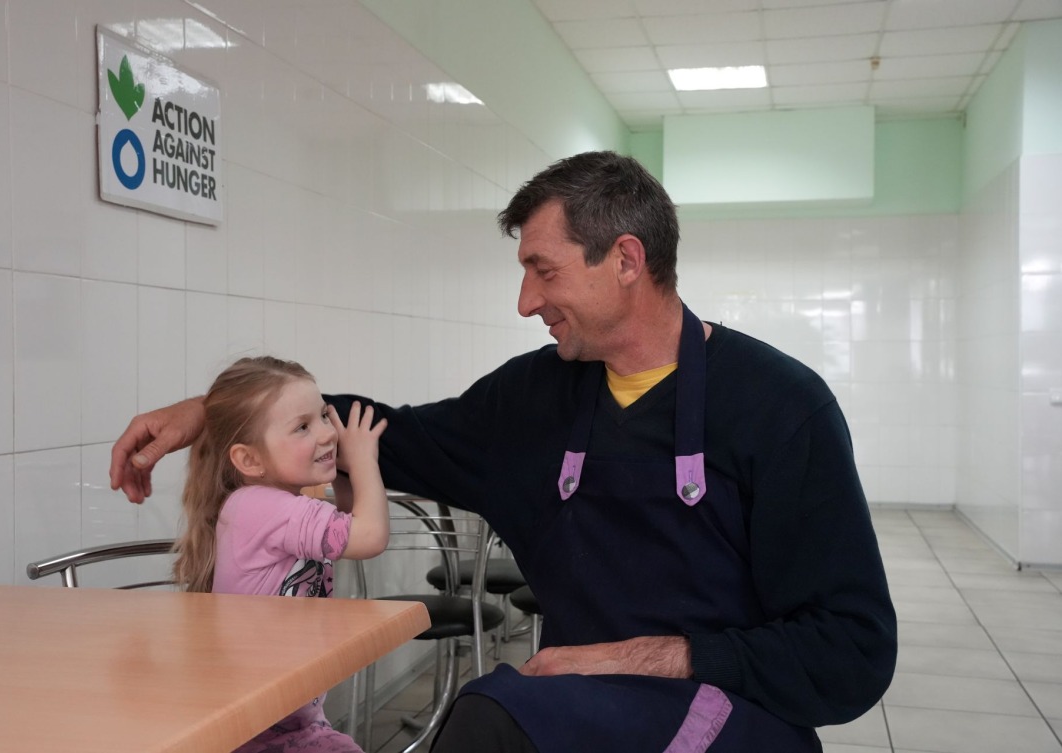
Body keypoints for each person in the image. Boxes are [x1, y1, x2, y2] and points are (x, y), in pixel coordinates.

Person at [111, 152, 896, 753]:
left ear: (625, 261)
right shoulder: (533, 398)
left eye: (542, 270)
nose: (525, 302)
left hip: (725, 713)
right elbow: (389, 433)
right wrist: (214, 417)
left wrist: (655, 656)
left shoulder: (782, 408)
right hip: (574, 707)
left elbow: (853, 650)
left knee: (489, 719)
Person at [172, 355, 388, 753]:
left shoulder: (269, 504)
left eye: (324, 416)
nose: (327, 433)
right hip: (252, 728)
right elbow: (369, 536)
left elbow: (351, 522)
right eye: (303, 427)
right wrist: (363, 461)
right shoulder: (258, 507)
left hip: (291, 719)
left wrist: (342, 470)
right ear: (249, 460)